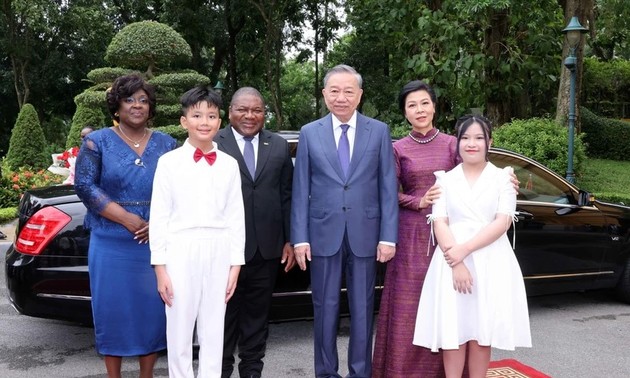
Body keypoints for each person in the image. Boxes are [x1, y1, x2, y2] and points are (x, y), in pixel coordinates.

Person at [291, 64, 399, 378]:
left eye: (348, 91)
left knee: (364, 310)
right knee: (324, 308)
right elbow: (301, 189)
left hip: (367, 234)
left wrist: (388, 236)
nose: (341, 97)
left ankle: (360, 373)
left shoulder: (378, 131)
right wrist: (299, 238)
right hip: (322, 234)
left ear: (360, 95)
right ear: (324, 94)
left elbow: (387, 186)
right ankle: (325, 372)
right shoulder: (309, 132)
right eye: (335, 91)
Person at [74, 74, 177, 378]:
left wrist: (157, 223)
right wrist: (128, 219)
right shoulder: (97, 141)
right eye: (129, 99)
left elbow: (176, 191)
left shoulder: (167, 144)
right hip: (110, 242)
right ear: (116, 106)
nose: (137, 105)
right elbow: (85, 187)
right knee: (112, 312)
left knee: (153, 313)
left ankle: (147, 375)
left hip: (154, 244)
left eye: (143, 100)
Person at [413, 115, 531, 378]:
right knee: (454, 328)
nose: (471, 144)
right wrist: (456, 261)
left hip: (490, 260)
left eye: (479, 138)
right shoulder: (444, 179)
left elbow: (502, 222)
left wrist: (464, 251)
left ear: (489, 141)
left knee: (481, 330)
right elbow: (439, 221)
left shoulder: (504, 178)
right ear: (457, 142)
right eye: (465, 138)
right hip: (450, 260)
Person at [150, 85, 246, 378]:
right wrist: (160, 269)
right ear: (184, 121)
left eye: (212, 116)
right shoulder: (168, 163)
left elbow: (235, 216)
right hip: (180, 249)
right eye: (197, 115)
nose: (204, 122)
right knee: (178, 328)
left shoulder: (229, 164)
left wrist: (235, 264)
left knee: (213, 330)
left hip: (219, 249)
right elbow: (159, 216)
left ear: (220, 122)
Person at [372, 80, 458, 378]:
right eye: (412, 105)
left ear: (434, 106)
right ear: (404, 113)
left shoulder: (453, 144)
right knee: (409, 305)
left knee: (446, 305)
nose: (419, 110)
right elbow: (385, 192)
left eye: (424, 103)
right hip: (410, 235)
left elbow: (475, 178)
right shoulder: (396, 148)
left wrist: (505, 182)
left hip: (449, 234)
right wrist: (417, 200)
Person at [217, 87, 294, 378]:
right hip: (224, 251)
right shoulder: (213, 142)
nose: (250, 116)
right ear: (230, 111)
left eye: (257, 110)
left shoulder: (277, 145)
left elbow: (287, 194)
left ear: (264, 113)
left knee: (257, 321)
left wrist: (289, 238)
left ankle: (252, 372)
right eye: (243, 109)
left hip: (267, 249)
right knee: (223, 321)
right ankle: (221, 371)